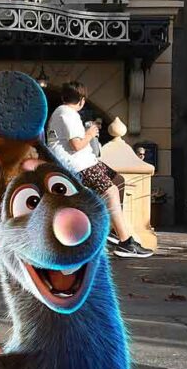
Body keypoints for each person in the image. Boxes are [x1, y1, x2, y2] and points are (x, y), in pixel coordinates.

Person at [47, 82, 153, 258]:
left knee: (118, 180)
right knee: (111, 191)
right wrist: (90, 133)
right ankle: (125, 242)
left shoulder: (63, 113)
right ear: (82, 100)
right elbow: (76, 145)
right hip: (78, 165)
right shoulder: (67, 114)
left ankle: (114, 229)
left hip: (87, 161)